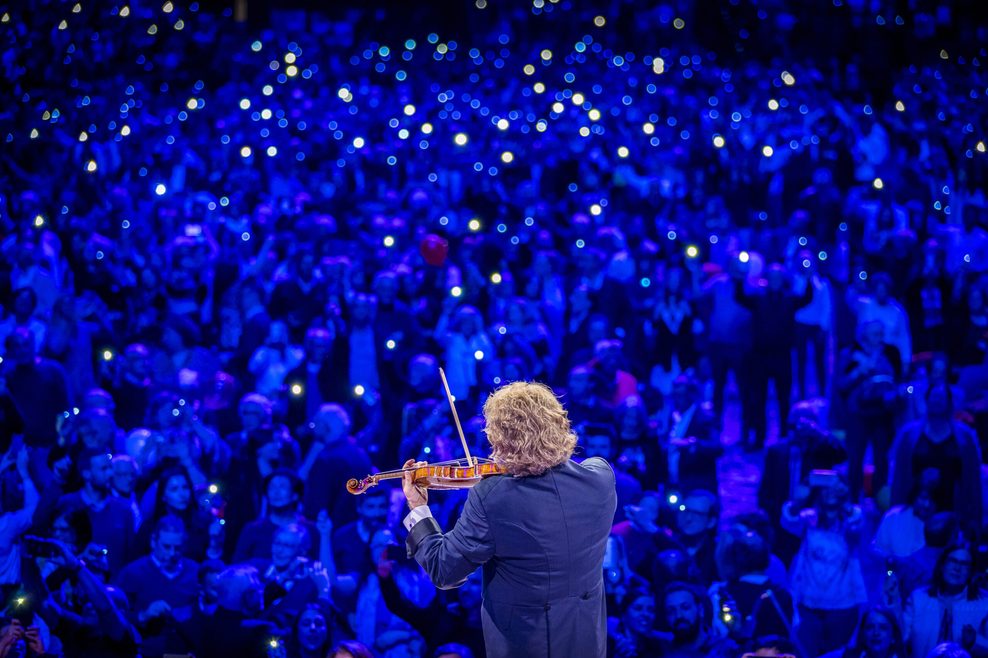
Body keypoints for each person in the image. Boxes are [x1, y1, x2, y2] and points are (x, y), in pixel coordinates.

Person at [401, 381, 617, 658]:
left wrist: (418, 507)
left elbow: (444, 570)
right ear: (560, 423)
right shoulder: (600, 478)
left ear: (500, 438)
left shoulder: (492, 498)